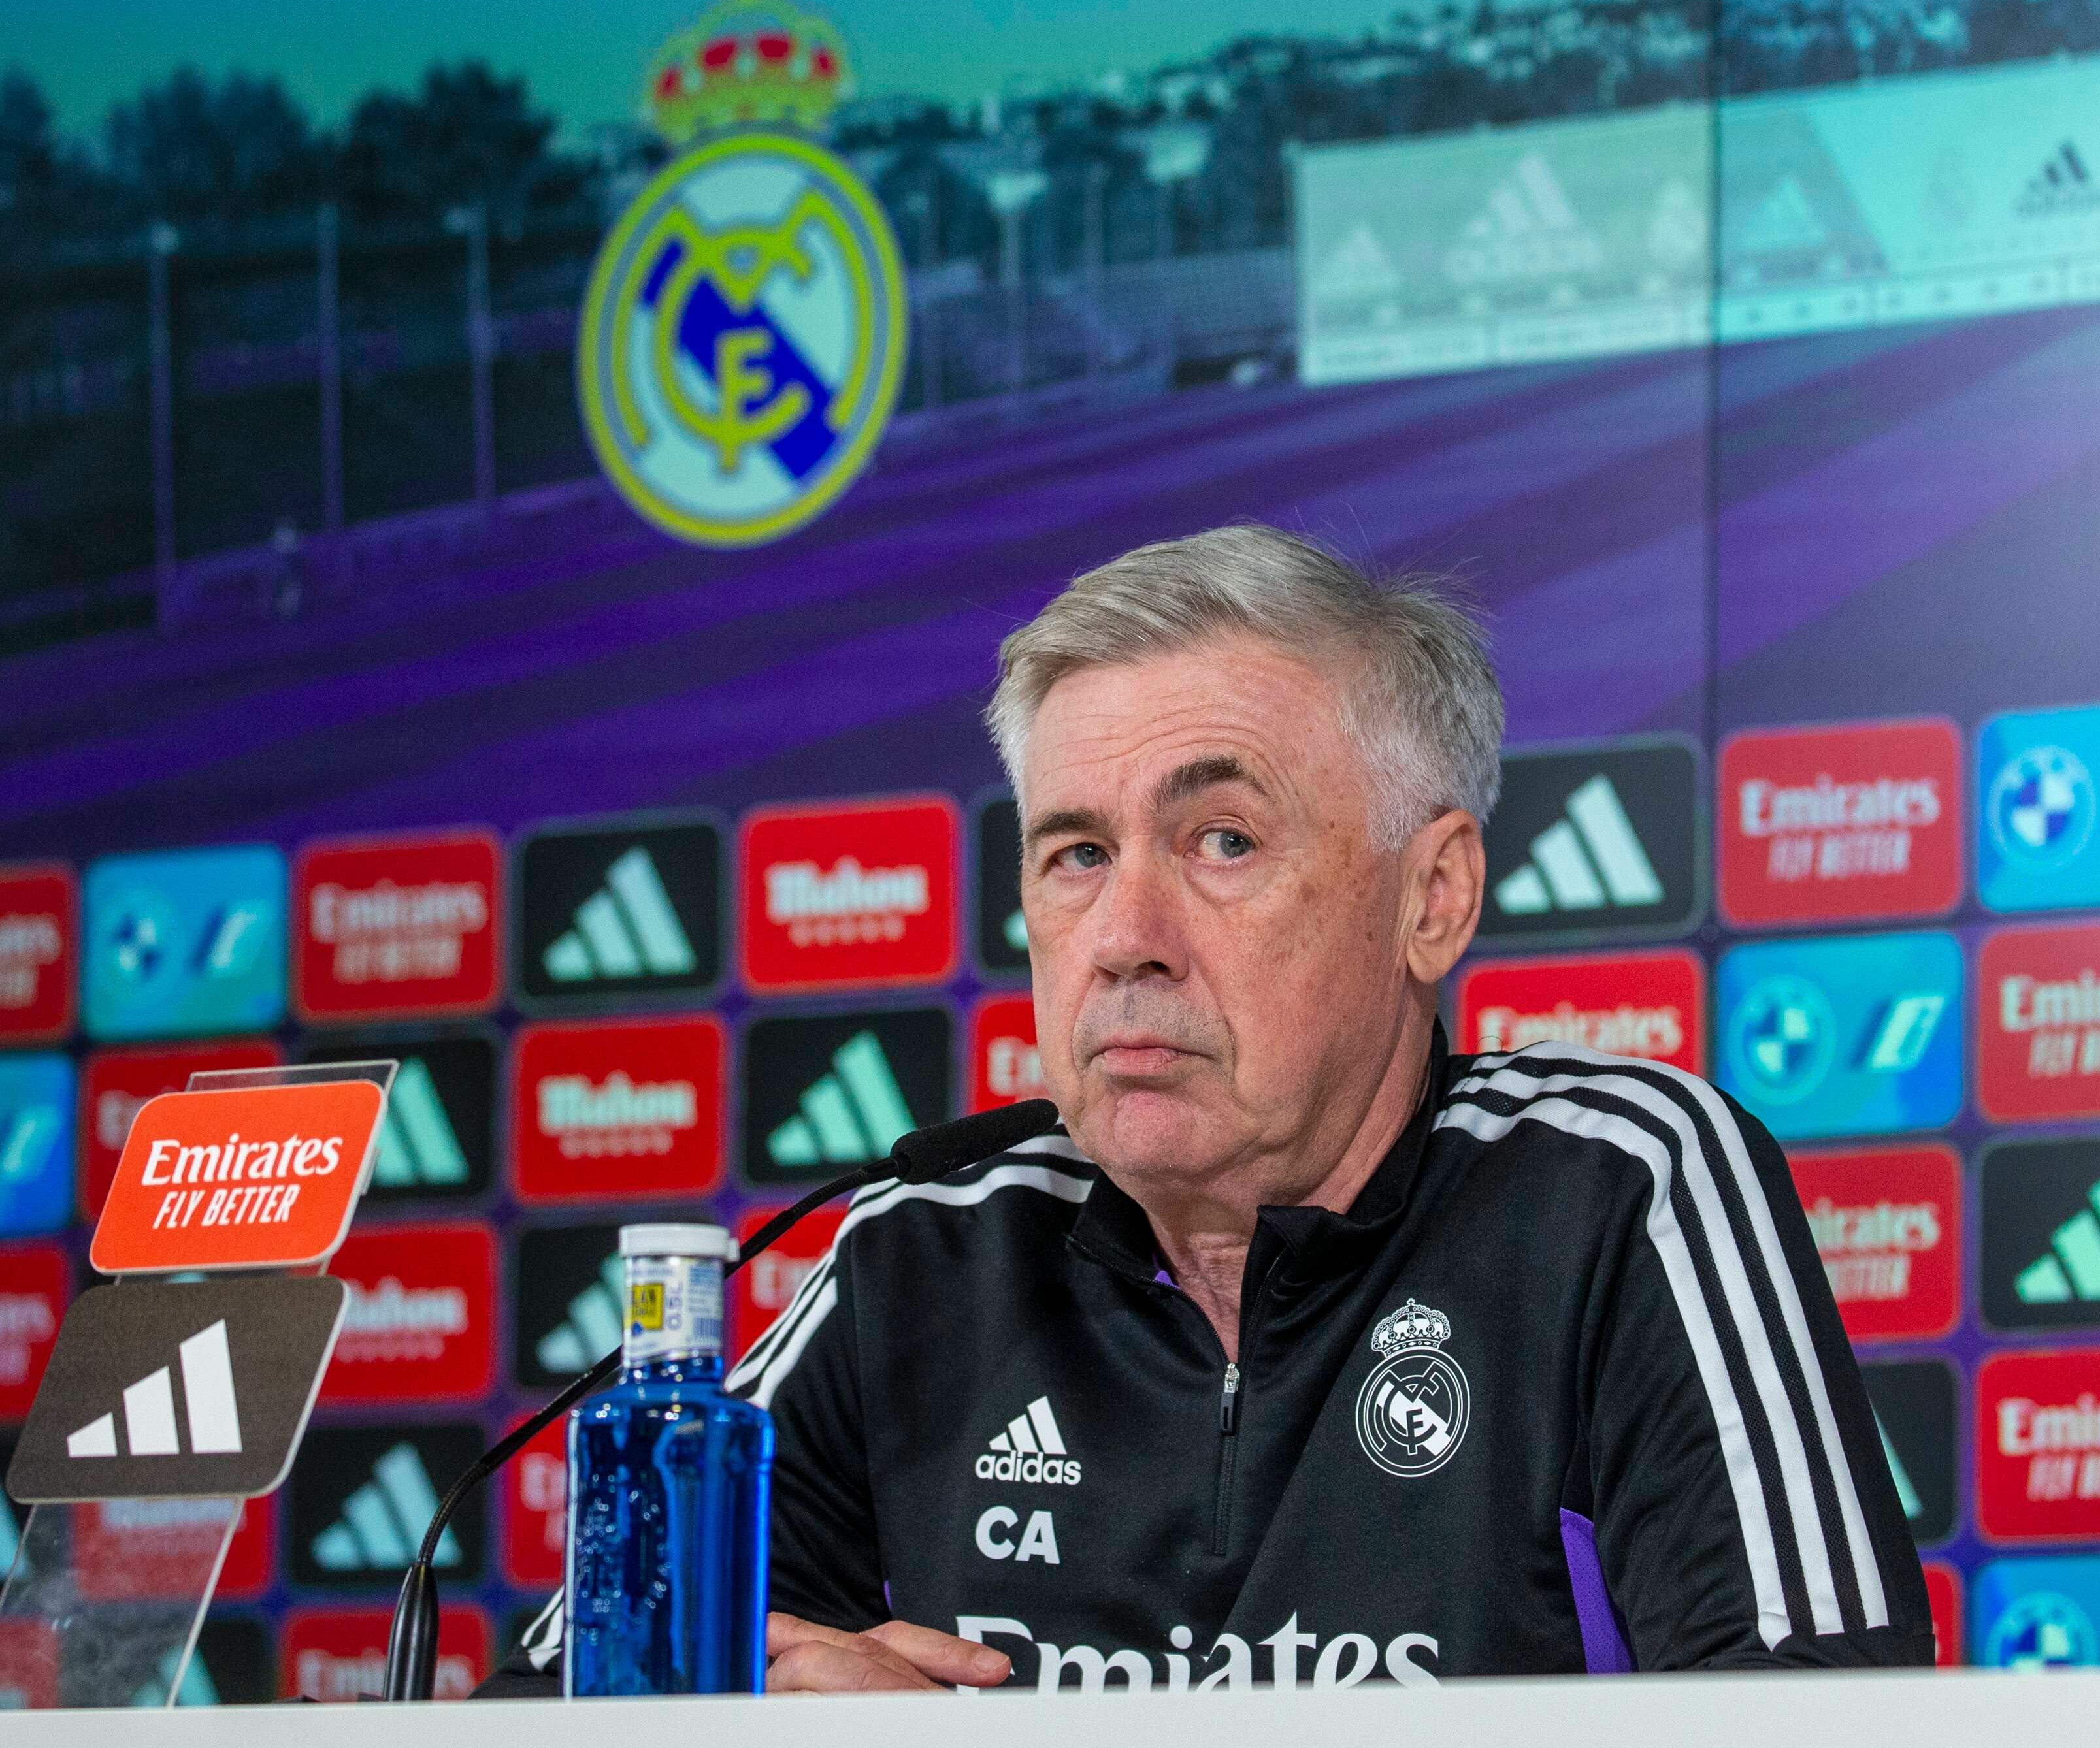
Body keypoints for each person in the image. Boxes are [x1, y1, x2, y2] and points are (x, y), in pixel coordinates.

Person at [488, 525, 1931, 1696]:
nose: (1125, 936)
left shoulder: (1612, 1188)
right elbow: (545, 1704)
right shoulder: (927, 1247)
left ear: (1432, 897)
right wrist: (726, 1703)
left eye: (1221, 840)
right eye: (1075, 853)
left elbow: (1828, 1722)